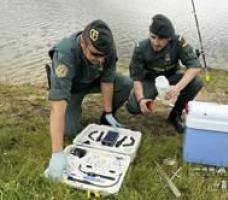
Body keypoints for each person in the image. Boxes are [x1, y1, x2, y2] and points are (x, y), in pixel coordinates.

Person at [45, 20, 132, 179]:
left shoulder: (107, 49)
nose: (100, 59)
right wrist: (57, 153)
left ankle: (105, 120)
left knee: (126, 83)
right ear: (83, 44)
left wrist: (108, 112)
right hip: (71, 89)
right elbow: (57, 107)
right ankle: (73, 114)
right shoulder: (65, 54)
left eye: (103, 56)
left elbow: (107, 80)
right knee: (69, 130)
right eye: (95, 54)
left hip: (93, 81)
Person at [126, 14, 203, 133]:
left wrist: (177, 88)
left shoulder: (178, 41)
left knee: (196, 82)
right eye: (153, 37)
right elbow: (137, 78)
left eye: (161, 39)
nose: (156, 42)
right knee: (133, 107)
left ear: (169, 38)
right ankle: (144, 99)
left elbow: (195, 66)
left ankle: (175, 114)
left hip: (171, 76)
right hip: (150, 79)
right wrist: (141, 99)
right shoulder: (140, 48)